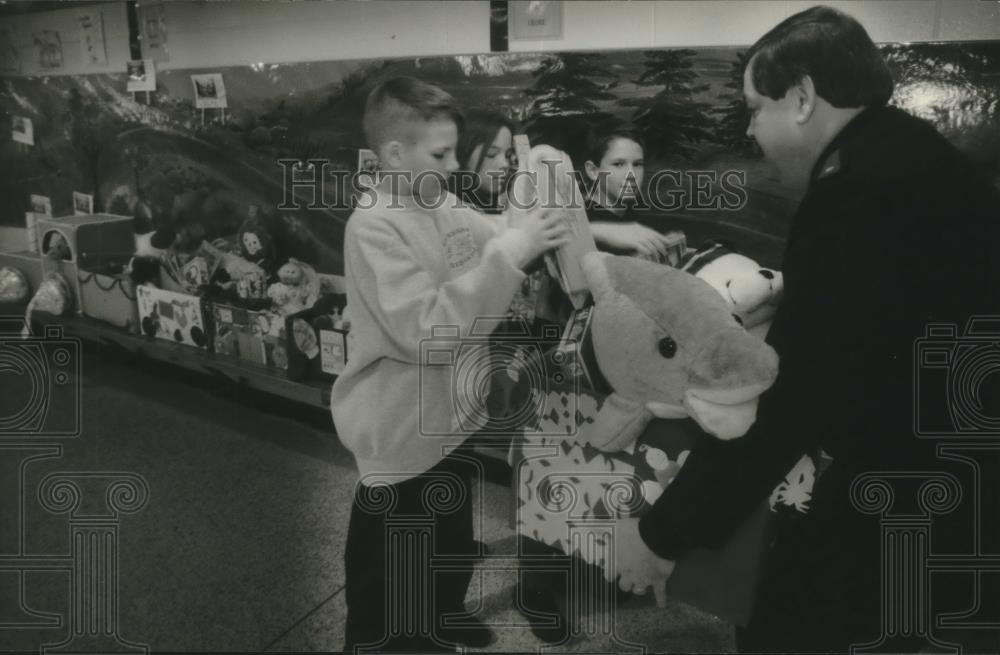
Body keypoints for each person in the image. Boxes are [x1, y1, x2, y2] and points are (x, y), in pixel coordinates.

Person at [610, 6, 1000, 653]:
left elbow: (791, 392)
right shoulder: (913, 156)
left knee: (789, 625)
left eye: (755, 108)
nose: (753, 131)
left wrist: (662, 533)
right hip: (955, 456)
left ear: (802, 98)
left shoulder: (852, 194)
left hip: (925, 475)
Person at [331, 77, 571, 653]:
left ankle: (440, 615)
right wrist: (510, 254)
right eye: (439, 154)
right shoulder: (374, 226)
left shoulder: (437, 200)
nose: (452, 164)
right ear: (393, 154)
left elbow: (499, 235)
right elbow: (428, 333)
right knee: (388, 573)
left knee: (449, 543)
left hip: (448, 422)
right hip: (400, 436)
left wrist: (604, 231)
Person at [579, 120, 680, 262]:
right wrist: (600, 231)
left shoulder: (636, 216)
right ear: (593, 171)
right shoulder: (577, 219)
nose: (631, 175)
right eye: (619, 164)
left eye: (638, 164)